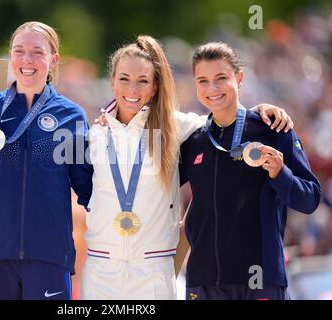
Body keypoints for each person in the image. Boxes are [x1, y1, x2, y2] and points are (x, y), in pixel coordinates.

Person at [82, 35, 293, 300]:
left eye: (143, 81)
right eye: (124, 79)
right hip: (103, 268)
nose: (132, 90)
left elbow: (224, 118)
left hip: (153, 270)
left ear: (156, 86)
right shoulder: (93, 135)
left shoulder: (178, 127)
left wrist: (258, 111)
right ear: (112, 82)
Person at [0, 21, 93, 300]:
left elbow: (88, 190)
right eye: (19, 51)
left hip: (49, 257)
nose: (27, 60)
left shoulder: (71, 116)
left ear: (53, 59)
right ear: (10, 56)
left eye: (37, 52)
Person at [179, 42, 321, 300]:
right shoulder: (193, 140)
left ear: (239, 78)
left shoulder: (273, 128)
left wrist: (281, 174)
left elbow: (310, 198)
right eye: (203, 80)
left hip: (260, 281)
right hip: (203, 282)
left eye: (221, 78)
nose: (212, 89)